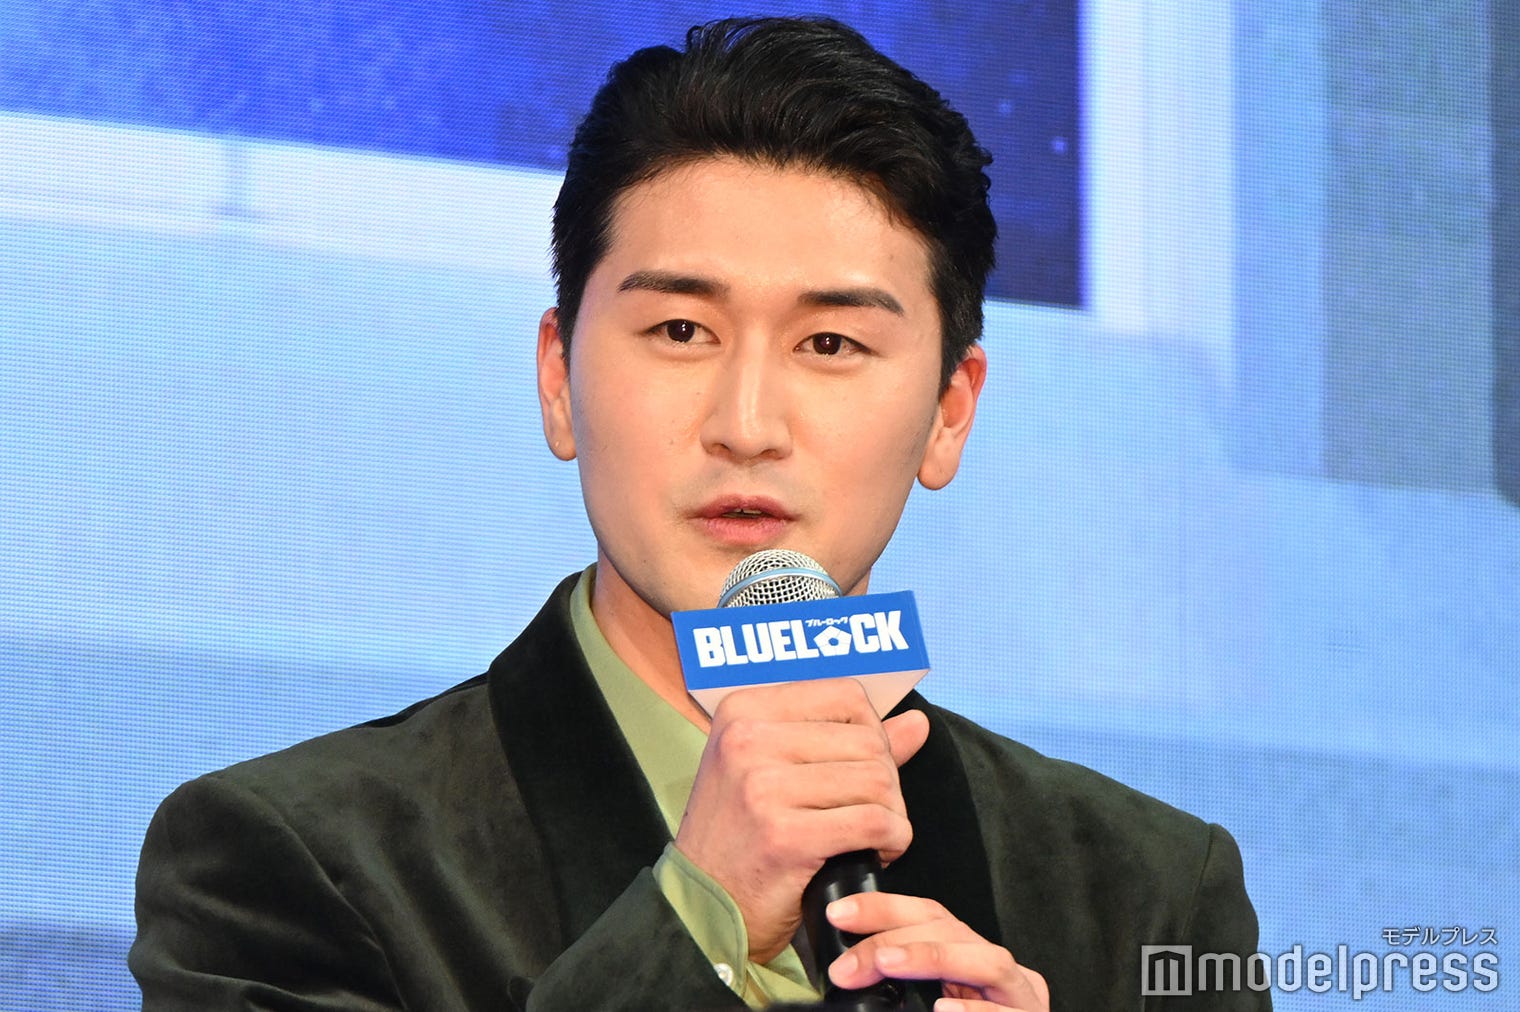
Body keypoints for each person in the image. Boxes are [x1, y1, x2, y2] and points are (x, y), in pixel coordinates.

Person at [130, 16, 1266, 1011]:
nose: (747, 423)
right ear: (558, 379)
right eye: (680, 331)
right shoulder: (293, 863)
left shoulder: (1150, 895)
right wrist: (698, 914)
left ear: (947, 414)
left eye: (831, 343)